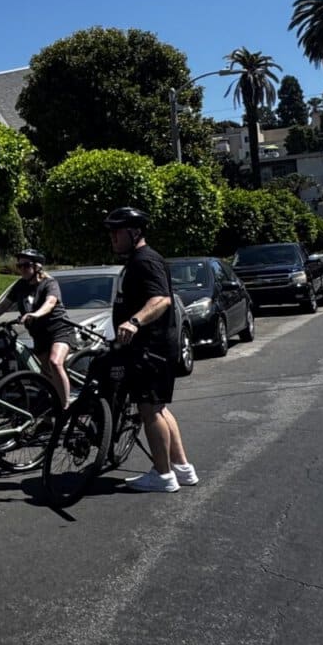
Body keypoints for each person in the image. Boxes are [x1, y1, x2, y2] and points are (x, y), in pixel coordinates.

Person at [104, 207, 198, 492]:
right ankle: (182, 468)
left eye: (117, 232)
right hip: (151, 349)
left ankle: (162, 474)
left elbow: (161, 299)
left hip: (151, 349)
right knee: (159, 408)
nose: (113, 238)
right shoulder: (138, 260)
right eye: (111, 233)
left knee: (149, 410)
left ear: (135, 233)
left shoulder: (145, 260)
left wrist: (134, 321)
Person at [0, 248, 81, 408]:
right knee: (47, 375)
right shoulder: (20, 285)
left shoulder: (49, 283)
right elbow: (3, 305)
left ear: (37, 266)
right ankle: (54, 407)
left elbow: (50, 303)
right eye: (19, 266)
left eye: (26, 265)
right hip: (39, 335)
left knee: (55, 362)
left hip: (59, 330)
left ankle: (67, 406)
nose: (22, 269)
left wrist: (35, 314)